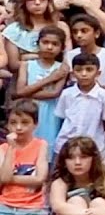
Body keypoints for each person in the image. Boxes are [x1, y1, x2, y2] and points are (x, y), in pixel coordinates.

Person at [0, 100, 49, 215]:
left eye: (25, 123)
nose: (19, 128)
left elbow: (40, 178)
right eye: (13, 123)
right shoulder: (3, 148)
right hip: (5, 205)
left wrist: (10, 178)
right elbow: (3, 178)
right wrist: (11, 148)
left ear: (35, 124)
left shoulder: (41, 145)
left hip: (31, 207)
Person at [13, 26, 68, 159]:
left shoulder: (62, 68)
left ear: (62, 48)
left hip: (50, 114)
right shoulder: (26, 65)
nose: (49, 47)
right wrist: (51, 78)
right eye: (45, 42)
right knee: (24, 146)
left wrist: (27, 91)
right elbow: (19, 90)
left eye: (55, 44)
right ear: (38, 44)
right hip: (27, 111)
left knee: (46, 150)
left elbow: (54, 93)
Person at [53, 52, 105, 155]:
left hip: (93, 144)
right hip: (66, 143)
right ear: (73, 74)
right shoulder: (67, 94)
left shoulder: (104, 96)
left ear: (98, 73)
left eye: (89, 70)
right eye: (78, 70)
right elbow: (62, 118)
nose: (84, 74)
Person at [68, 14, 105, 93]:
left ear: (96, 33)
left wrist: (99, 90)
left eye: (84, 31)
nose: (79, 35)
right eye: (75, 32)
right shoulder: (70, 55)